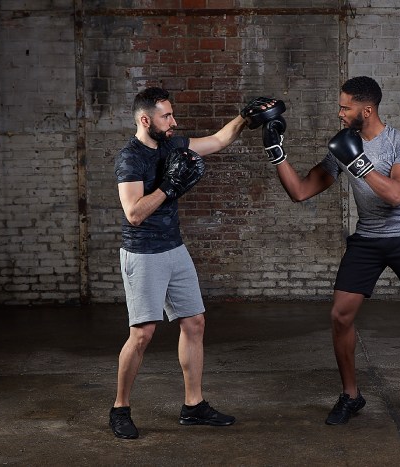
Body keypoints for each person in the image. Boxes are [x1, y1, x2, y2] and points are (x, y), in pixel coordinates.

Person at [261, 76, 400, 435]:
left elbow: (397, 195)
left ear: (365, 110)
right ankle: (351, 395)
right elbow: (301, 191)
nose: (339, 113)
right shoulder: (343, 146)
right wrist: (277, 152)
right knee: (340, 315)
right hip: (367, 239)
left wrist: (361, 163)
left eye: (345, 107)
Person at [110, 87, 246, 439]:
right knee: (142, 335)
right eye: (166, 116)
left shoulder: (171, 143)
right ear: (145, 120)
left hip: (174, 248)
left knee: (195, 323)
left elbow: (216, 141)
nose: (173, 121)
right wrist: (169, 186)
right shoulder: (130, 158)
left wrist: (245, 118)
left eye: (171, 115)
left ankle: (193, 405)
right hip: (143, 253)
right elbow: (134, 213)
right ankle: (120, 407)